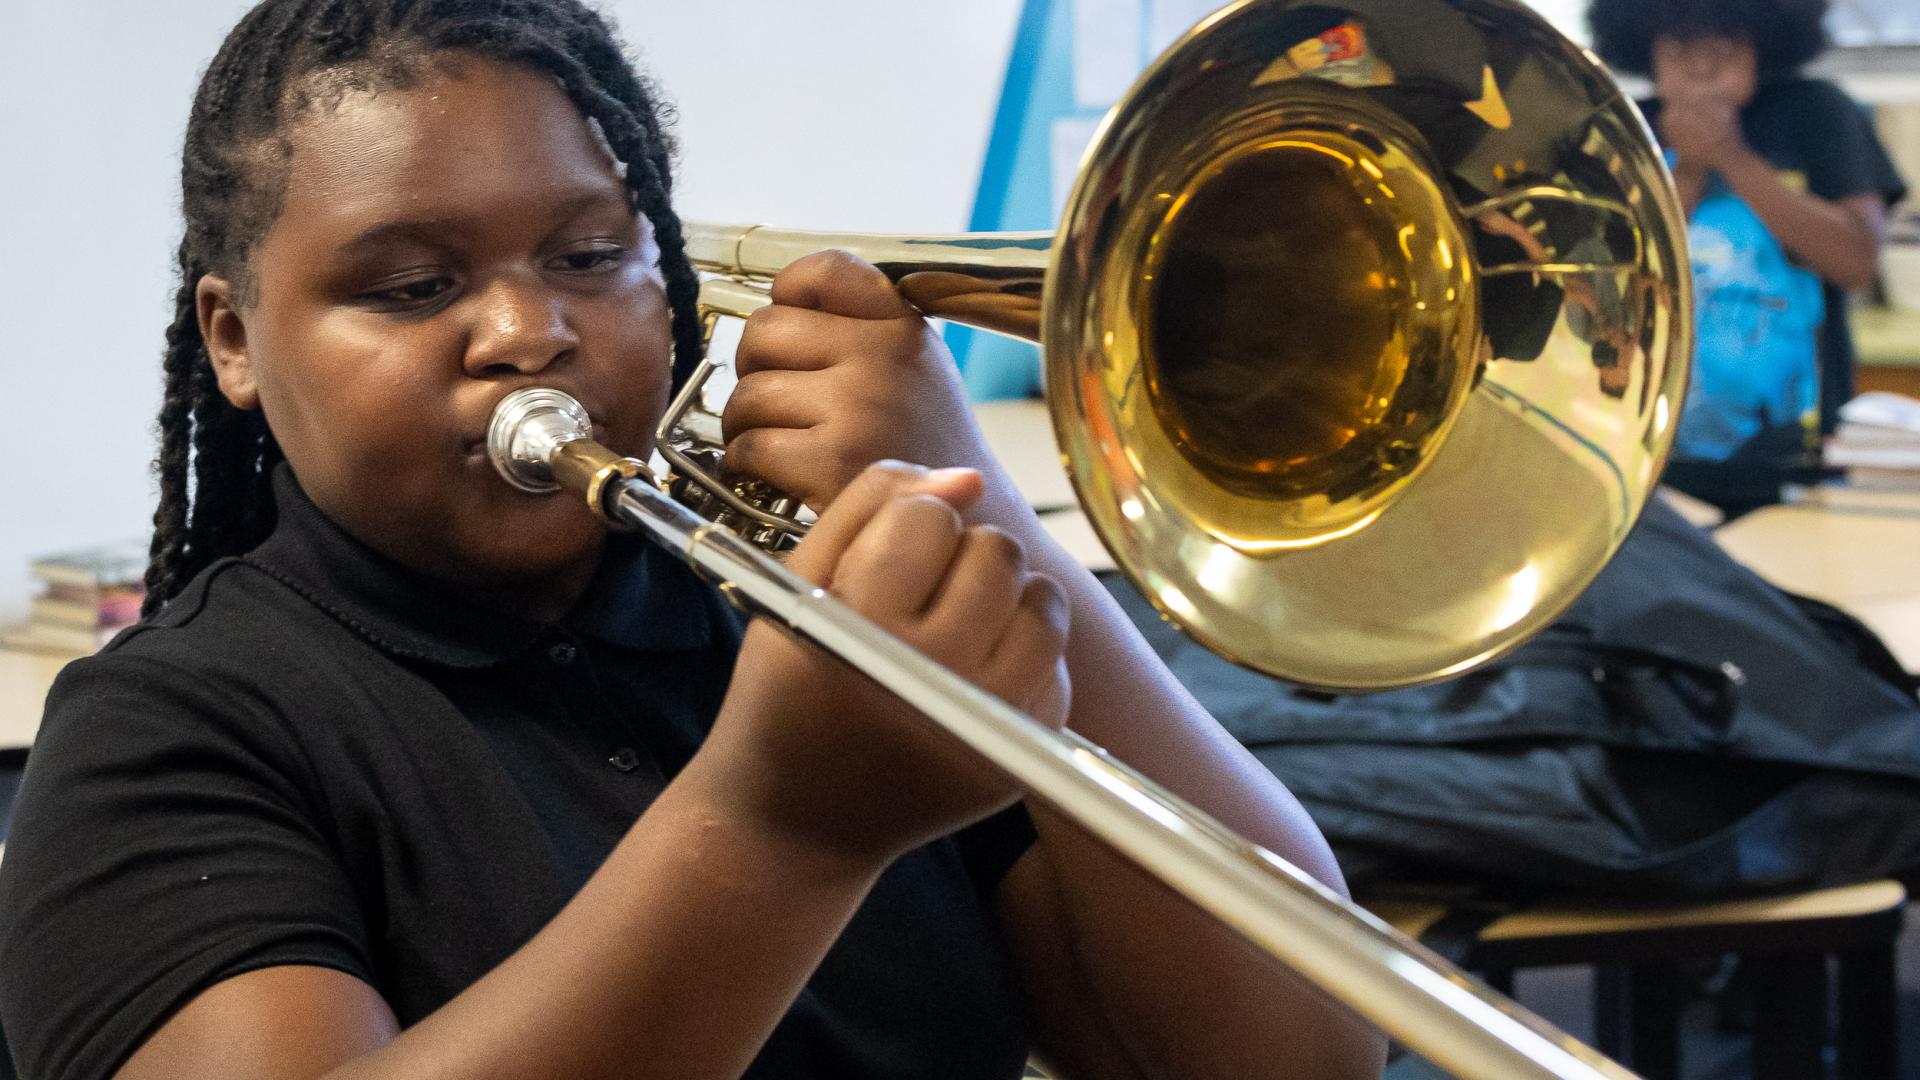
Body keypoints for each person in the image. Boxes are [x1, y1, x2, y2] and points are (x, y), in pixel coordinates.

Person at [0, 3, 1385, 1078]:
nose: (528, 332)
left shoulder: (801, 620)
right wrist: (780, 826)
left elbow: (1296, 1048)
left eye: (594, 259)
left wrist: (981, 507)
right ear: (234, 340)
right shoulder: (167, 729)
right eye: (416, 286)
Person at [1588, 0, 1908, 518]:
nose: (1702, 65)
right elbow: (1610, 286)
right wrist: (1689, 166)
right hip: (1648, 459)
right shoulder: (1624, 127)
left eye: (1726, 44)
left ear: (1766, 44)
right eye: (1680, 44)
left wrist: (1732, 156)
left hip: (1799, 462)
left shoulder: (1817, 112)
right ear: (1644, 47)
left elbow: (1855, 262)